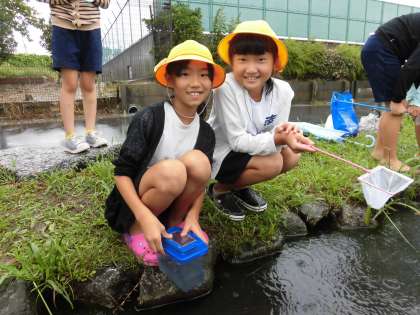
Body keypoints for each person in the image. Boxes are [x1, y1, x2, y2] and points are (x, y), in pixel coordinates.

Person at [105, 40, 226, 266]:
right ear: (170, 80)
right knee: (173, 170)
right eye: (185, 74)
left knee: (200, 163)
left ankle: (176, 222)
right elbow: (122, 173)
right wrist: (143, 216)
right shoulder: (150, 118)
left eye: (203, 75)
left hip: (173, 203)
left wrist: (193, 216)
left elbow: (201, 182)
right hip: (137, 204)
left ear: (211, 81)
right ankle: (136, 230)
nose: (195, 83)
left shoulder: (206, 132)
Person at [207, 20, 315, 221]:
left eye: (260, 60)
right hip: (223, 152)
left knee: (291, 156)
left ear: (275, 63)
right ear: (232, 61)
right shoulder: (225, 88)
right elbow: (237, 141)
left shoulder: (283, 92)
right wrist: (278, 139)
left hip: (251, 147)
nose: (251, 69)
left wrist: (291, 135)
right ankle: (219, 189)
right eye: (242, 59)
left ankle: (239, 186)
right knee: (273, 163)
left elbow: (279, 130)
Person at [40, 0, 110, 153]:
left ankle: (90, 133)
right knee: (70, 84)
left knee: (88, 84)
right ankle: (70, 136)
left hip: (91, 28)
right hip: (63, 27)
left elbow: (106, 3)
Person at [361, 13, 420, 171]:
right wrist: (398, 98)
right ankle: (389, 160)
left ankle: (379, 152)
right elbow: (412, 67)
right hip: (383, 50)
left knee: (390, 106)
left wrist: (405, 96)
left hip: (378, 48)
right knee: (394, 109)